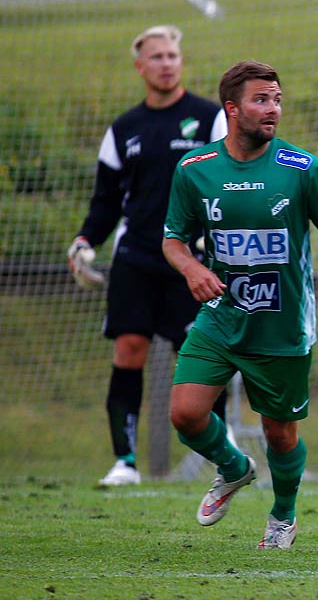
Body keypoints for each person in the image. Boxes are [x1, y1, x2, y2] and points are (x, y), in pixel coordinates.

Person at [161, 62, 318, 550]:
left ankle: (283, 516)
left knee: (280, 434)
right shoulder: (195, 170)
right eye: (261, 100)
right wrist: (193, 268)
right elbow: (173, 240)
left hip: (282, 326)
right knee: (186, 414)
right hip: (221, 317)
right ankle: (234, 467)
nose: (272, 109)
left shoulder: (302, 169)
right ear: (232, 109)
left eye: (276, 99)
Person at [68, 25, 228, 487]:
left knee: (200, 358)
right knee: (129, 349)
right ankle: (125, 462)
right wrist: (84, 241)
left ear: (181, 61)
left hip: (193, 261)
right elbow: (105, 202)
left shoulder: (210, 119)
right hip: (136, 255)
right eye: (156, 56)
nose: (166, 63)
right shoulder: (123, 129)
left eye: (172, 55)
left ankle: (220, 459)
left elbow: (229, 182)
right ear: (141, 67)